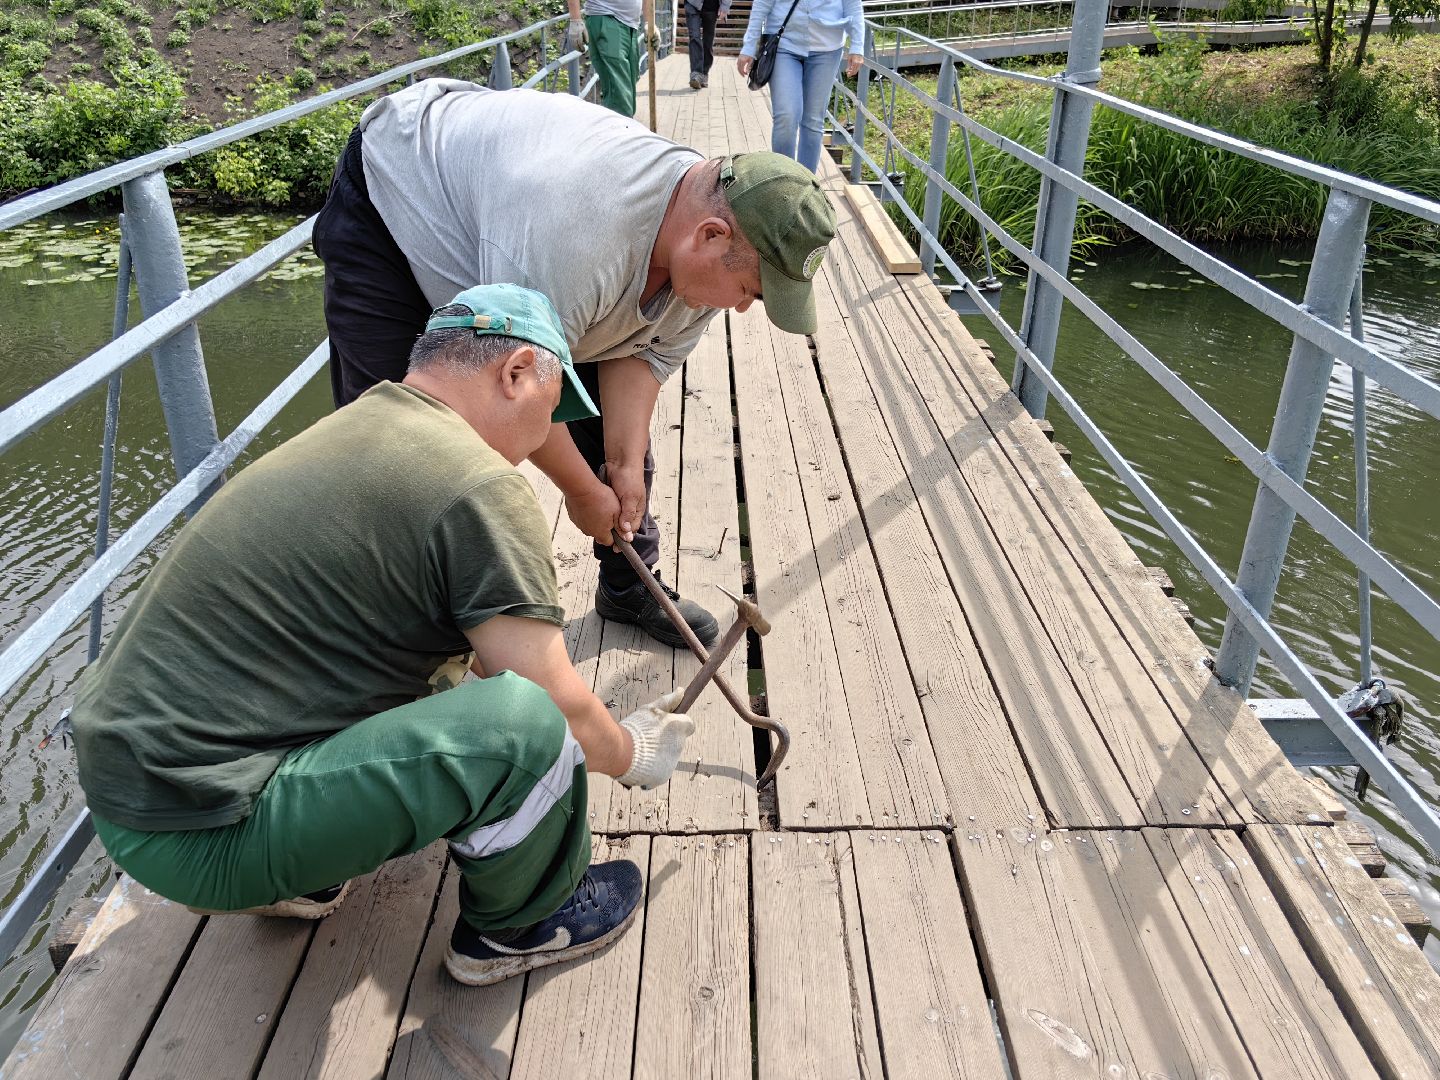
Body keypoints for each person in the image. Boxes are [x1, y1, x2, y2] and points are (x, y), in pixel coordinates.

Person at [70, 284, 701, 987]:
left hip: (137, 797)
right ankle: (520, 924)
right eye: (550, 412)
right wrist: (631, 751)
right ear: (517, 372)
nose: (539, 442)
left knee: (446, 670)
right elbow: (550, 706)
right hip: (203, 830)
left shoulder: (366, 421)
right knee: (524, 726)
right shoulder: (479, 485)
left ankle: (305, 869)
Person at [312, 80, 838, 650]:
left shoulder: (709, 242)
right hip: (399, 195)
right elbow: (508, 386)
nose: (740, 306)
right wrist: (582, 492)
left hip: (522, 247)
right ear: (711, 236)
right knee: (403, 449)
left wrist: (623, 466)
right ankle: (392, 641)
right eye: (748, 290)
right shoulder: (576, 238)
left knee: (620, 459)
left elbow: (640, 356)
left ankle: (626, 587)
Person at [736, 0, 865, 173]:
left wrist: (857, 46)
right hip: (783, 42)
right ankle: (784, 180)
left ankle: (806, 185)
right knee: (786, 116)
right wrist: (749, 46)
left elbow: (852, 5)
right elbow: (762, 3)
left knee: (813, 121)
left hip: (827, 46)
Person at [563, 0, 653, 118]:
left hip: (631, 25)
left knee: (628, 90)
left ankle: (621, 130)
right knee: (619, 97)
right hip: (606, 17)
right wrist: (575, 19)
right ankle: (621, 133)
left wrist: (649, 22)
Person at [685, 0, 731, 90]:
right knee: (694, 36)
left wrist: (725, 6)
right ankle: (696, 74)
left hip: (711, 7)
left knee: (708, 42)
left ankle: (704, 72)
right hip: (692, 4)